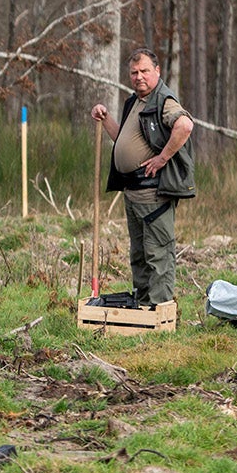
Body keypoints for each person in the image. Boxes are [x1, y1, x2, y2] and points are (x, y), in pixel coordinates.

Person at [91, 49, 195, 311]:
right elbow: (124, 139)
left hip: (154, 195)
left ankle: (159, 312)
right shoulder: (135, 101)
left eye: (144, 71)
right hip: (132, 192)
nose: (139, 77)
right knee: (138, 255)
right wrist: (106, 119)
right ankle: (143, 306)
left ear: (157, 71)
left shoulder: (163, 100)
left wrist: (162, 158)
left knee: (157, 253)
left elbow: (184, 126)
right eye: (134, 73)